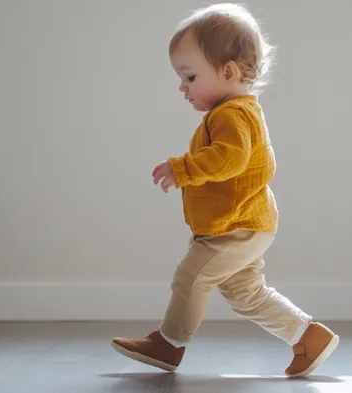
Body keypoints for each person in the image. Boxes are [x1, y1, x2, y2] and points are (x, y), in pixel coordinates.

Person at [110, 3, 339, 378]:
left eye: (190, 76)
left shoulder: (231, 114)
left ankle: (169, 344)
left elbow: (228, 160)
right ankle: (308, 336)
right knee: (245, 293)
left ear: (228, 71)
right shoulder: (237, 111)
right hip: (247, 222)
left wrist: (181, 168)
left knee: (192, 276)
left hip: (236, 226)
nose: (182, 87)